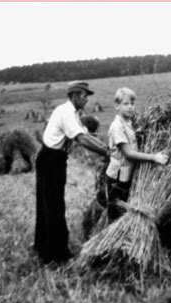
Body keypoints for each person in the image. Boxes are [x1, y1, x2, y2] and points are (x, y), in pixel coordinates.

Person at [34, 81, 109, 264]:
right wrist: (108, 153)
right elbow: (82, 139)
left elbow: (87, 135)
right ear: (75, 96)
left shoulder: (73, 113)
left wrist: (107, 147)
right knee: (53, 205)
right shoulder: (67, 113)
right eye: (85, 96)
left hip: (55, 159)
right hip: (50, 159)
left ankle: (43, 247)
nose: (87, 99)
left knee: (49, 202)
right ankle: (57, 254)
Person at [105, 87, 168, 222]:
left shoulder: (127, 123)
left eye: (132, 104)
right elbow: (128, 153)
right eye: (125, 104)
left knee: (123, 212)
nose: (130, 107)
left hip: (126, 175)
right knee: (116, 214)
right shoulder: (117, 126)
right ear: (117, 106)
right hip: (117, 178)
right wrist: (154, 158)